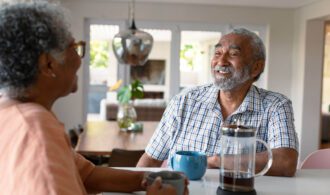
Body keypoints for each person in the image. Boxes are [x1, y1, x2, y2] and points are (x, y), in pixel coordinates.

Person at [0, 1, 187, 194]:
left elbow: (87, 175)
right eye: (75, 47)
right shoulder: (36, 129)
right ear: (49, 64)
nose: (80, 59)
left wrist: (147, 179)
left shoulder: (12, 112)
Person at [137, 28, 299, 177]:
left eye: (233, 54)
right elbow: (151, 159)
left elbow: (286, 163)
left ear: (256, 67)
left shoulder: (276, 105)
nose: (221, 61)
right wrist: (137, 185)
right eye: (217, 52)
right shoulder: (183, 101)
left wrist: (216, 161)